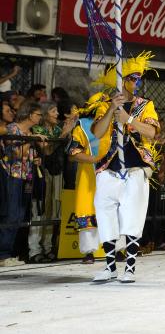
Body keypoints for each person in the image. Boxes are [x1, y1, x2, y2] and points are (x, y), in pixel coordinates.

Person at [91, 52, 160, 283]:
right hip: (108, 169)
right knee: (105, 214)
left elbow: (152, 132)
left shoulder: (145, 105)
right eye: (131, 78)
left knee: (133, 216)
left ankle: (129, 267)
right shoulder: (103, 105)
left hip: (135, 168)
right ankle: (110, 266)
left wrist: (128, 120)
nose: (136, 82)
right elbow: (97, 133)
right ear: (120, 81)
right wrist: (112, 110)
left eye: (138, 78)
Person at [0, 100, 45, 266]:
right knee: (11, 214)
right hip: (12, 175)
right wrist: (30, 139)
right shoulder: (13, 129)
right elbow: (17, 154)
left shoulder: (31, 131)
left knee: (20, 216)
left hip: (26, 176)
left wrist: (36, 159)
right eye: (38, 114)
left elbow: (32, 153)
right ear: (30, 114)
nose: (40, 117)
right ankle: (3, 255)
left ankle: (9, 253)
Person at [29, 101, 74, 262]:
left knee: (53, 211)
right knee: (40, 211)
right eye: (53, 111)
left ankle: (47, 247)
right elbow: (46, 150)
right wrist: (63, 134)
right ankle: (34, 250)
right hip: (43, 173)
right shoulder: (37, 130)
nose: (57, 114)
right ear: (45, 114)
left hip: (57, 172)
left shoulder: (56, 129)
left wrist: (69, 130)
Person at [66, 94, 107, 263]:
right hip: (89, 176)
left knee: (114, 209)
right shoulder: (82, 126)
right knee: (87, 209)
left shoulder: (115, 124)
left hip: (112, 175)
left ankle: (119, 248)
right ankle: (89, 252)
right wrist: (95, 160)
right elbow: (73, 153)